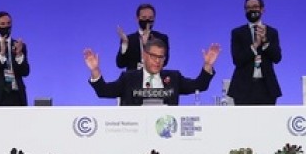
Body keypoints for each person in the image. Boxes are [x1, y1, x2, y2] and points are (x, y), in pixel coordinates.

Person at [85, 38, 219, 105]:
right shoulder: (129, 78)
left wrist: (207, 65)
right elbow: (103, 91)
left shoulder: (174, 77)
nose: (157, 61)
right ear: (144, 56)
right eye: (153, 56)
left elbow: (199, 85)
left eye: (161, 57)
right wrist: (95, 70)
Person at [228, 0, 282, 105]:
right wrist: (255, 45)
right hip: (243, 88)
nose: (251, 10)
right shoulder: (237, 33)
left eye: (255, 7)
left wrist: (265, 42)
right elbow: (237, 60)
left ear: (262, 9)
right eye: (248, 8)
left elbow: (277, 58)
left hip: (267, 87)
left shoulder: (272, 32)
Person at [0, 11, 30, 106]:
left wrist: (19, 55)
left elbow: (25, 72)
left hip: (16, 95)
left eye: (8, 24)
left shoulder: (19, 46)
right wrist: (1, 54)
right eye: (2, 24)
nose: (6, 27)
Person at [115, 3, 170, 71]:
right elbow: (120, 64)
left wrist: (148, 45)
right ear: (137, 18)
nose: (147, 20)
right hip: (133, 80)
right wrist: (125, 44)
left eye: (150, 18)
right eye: (144, 17)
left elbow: (164, 62)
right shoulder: (129, 40)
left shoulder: (162, 38)